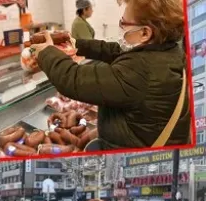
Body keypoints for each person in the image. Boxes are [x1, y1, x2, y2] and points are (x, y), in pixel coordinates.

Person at [31, 0, 189, 149]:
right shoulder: (167, 52)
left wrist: (46, 53)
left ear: (144, 33)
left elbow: (72, 78)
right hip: (142, 136)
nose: (120, 27)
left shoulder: (140, 70)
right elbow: (115, 51)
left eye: (124, 23)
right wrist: (75, 45)